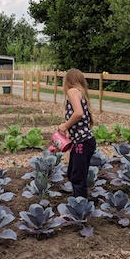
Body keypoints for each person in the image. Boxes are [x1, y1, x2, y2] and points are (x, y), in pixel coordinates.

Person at [57, 69, 96, 198]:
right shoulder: (81, 93)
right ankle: (78, 204)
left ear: (68, 81)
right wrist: (70, 134)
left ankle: (80, 208)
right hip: (83, 141)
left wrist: (65, 126)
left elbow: (78, 113)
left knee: (78, 177)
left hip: (82, 142)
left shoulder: (72, 91)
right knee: (73, 173)